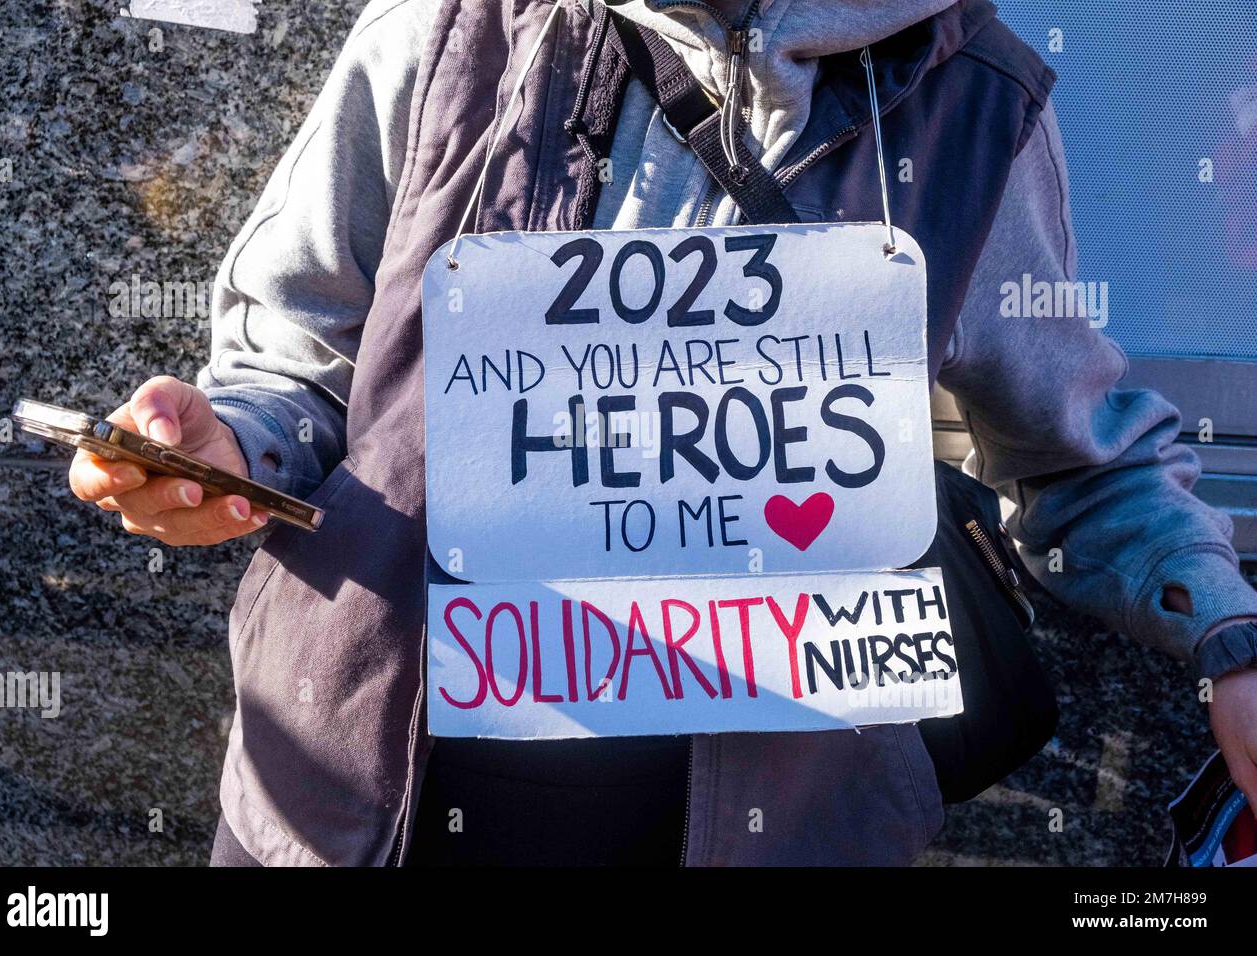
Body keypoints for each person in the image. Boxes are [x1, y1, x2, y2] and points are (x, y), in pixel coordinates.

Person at [67, 0, 1257, 866]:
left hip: (775, 811)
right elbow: (297, 359)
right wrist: (222, 451)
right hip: (370, 788)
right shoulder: (441, 31)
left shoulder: (974, 99)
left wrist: (1227, 633)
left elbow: (1079, 453)